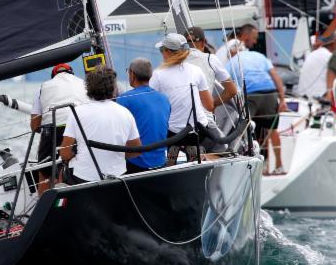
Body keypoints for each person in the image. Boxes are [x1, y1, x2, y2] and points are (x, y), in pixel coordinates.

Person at [59, 66, 141, 182]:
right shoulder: (125, 113)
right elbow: (136, 149)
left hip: (83, 177)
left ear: (88, 88)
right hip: (117, 176)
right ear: (113, 88)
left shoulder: (77, 112)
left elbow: (64, 153)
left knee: (61, 174)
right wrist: (117, 155)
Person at [227, 24, 288, 173]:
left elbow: (228, 85)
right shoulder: (259, 56)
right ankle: (279, 166)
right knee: (272, 130)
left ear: (232, 51)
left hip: (251, 95)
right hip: (270, 93)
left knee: (244, 130)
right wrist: (283, 99)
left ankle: (244, 168)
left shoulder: (231, 62)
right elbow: (276, 77)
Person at [149, 33, 214, 164]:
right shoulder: (196, 71)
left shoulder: (158, 75)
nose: (161, 53)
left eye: (162, 50)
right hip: (198, 130)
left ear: (167, 52)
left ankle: (171, 157)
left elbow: (152, 108)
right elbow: (209, 106)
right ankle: (195, 155)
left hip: (173, 135)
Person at [29, 63, 89, 193]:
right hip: (79, 127)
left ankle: (44, 207)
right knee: (75, 164)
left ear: (53, 76)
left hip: (52, 129)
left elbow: (34, 125)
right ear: (72, 73)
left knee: (45, 172)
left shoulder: (43, 86)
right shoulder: (83, 84)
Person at [116, 58, 171, 173]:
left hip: (136, 164)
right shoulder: (164, 98)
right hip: (160, 161)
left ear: (132, 74)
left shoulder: (124, 99)